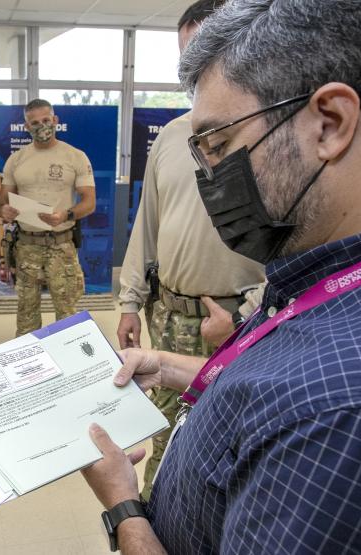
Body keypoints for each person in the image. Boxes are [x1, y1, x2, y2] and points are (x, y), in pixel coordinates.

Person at [81, 1, 361, 553]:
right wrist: (170, 366)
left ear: (330, 123)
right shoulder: (359, 273)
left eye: (220, 146)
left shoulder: (360, 419)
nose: (210, 177)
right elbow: (277, 389)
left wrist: (124, 506)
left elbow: (315, 398)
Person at [117, 0, 265, 500]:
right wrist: (130, 301)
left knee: (223, 441)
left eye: (210, 51)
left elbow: (300, 245)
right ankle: (155, 525)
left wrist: (245, 316)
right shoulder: (172, 137)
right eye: (188, 58)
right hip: (170, 315)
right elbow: (148, 223)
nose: (197, 70)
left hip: (236, 320)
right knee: (163, 439)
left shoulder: (270, 138)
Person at [0, 99, 96, 335]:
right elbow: (1, 202)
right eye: (35, 123)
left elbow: (89, 202)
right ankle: (31, 364)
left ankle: (69, 362)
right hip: (26, 246)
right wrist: (2, 211)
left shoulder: (75, 156)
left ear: (55, 121)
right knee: (26, 313)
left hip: (61, 243)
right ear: (27, 127)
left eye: (46, 120)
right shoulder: (16, 160)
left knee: (67, 313)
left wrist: (67, 215)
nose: (41, 126)